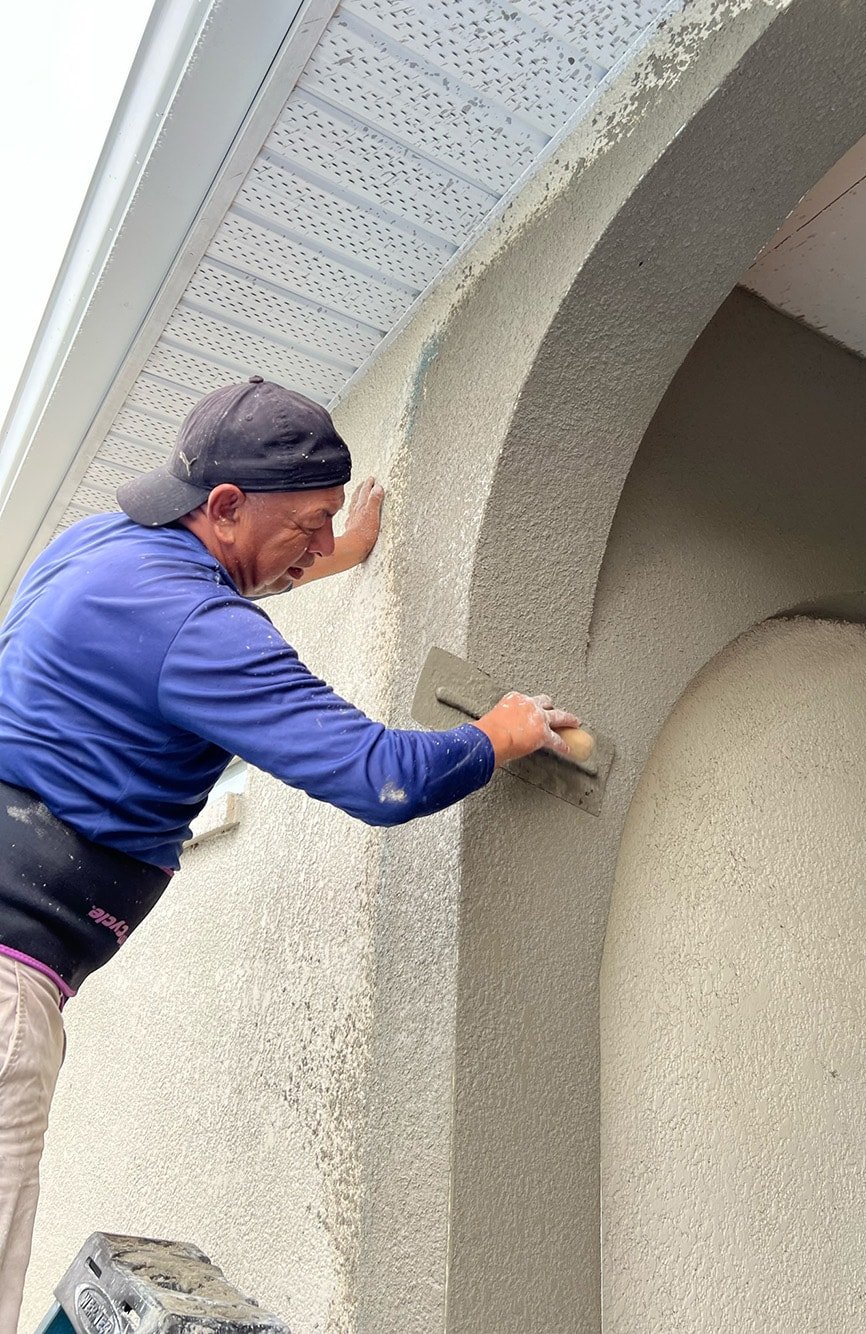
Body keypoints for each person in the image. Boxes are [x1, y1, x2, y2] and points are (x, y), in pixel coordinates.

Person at [0, 376, 578, 1329]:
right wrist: (501, 734)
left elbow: (211, 589)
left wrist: (335, 556)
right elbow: (380, 778)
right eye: (309, 522)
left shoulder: (96, 547)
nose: (318, 541)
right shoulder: (203, 633)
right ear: (225, 506)